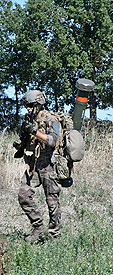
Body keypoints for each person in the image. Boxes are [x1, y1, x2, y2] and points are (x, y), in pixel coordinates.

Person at [15, 90, 62, 243]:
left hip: (49, 164)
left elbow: (53, 141)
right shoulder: (29, 119)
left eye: (30, 105)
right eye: (26, 105)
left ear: (39, 104)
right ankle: (39, 228)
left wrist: (34, 132)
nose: (27, 108)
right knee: (23, 195)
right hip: (33, 165)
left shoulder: (51, 119)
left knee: (52, 201)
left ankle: (54, 236)